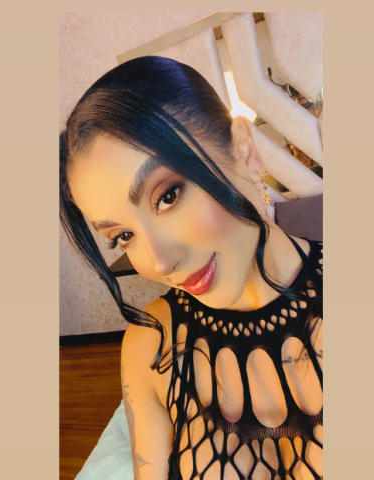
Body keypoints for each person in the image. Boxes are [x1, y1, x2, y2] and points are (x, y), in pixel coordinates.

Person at [60, 56, 323, 480]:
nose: (159, 262)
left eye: (167, 196)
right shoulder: (150, 345)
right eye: (123, 236)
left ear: (245, 151)